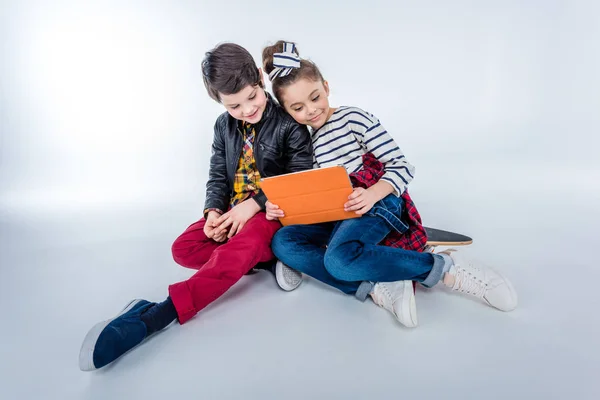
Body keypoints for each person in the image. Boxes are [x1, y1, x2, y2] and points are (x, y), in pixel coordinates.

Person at [78, 42, 313, 371]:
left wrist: (255, 205)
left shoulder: (288, 124)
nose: (247, 109)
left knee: (244, 244)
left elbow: (299, 176)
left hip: (273, 213)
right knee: (184, 249)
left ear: (260, 79)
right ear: (218, 101)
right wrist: (213, 212)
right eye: (234, 105)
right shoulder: (222, 126)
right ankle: (265, 262)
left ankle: (157, 314)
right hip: (234, 213)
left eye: (252, 97)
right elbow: (218, 174)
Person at [261, 41, 518, 328]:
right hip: (342, 213)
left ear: (326, 86)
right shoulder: (307, 143)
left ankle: (446, 269)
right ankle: (376, 285)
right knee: (283, 241)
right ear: (286, 110)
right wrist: (281, 208)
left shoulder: (353, 118)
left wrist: (372, 195)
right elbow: (315, 195)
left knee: (338, 261)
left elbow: (402, 166)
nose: (311, 110)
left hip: (380, 202)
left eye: (315, 97)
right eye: (297, 107)